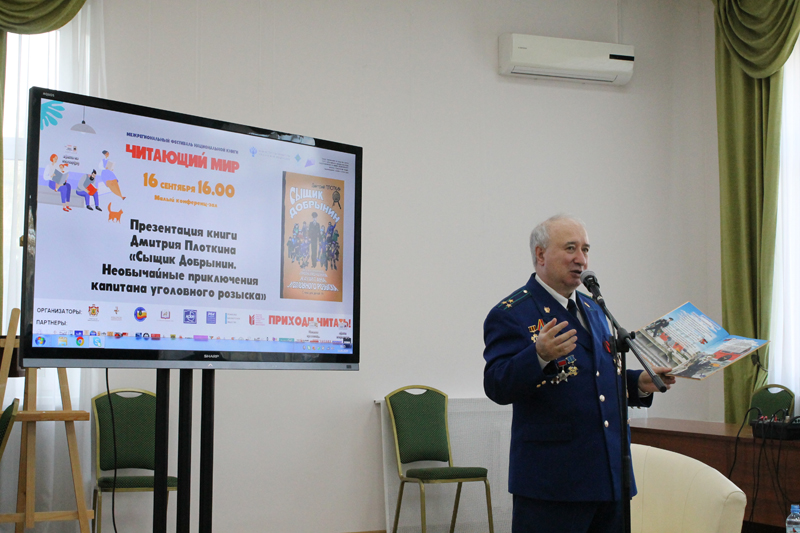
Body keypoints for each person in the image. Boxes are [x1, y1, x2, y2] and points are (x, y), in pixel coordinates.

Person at [483, 214, 675, 533]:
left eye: (585, 249)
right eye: (570, 248)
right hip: (553, 484)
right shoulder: (513, 313)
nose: (581, 259)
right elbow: (496, 385)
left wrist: (637, 383)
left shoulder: (594, 308)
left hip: (609, 477)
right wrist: (538, 355)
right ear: (540, 254)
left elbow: (595, 377)